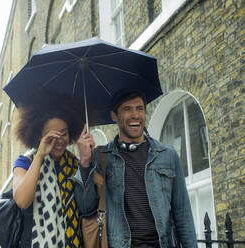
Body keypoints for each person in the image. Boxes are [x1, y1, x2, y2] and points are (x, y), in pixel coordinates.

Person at [75, 89, 198, 248]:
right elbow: (85, 208)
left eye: (139, 108)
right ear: (114, 116)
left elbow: (183, 215)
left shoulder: (168, 155)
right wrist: (85, 161)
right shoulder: (101, 157)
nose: (135, 115)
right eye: (127, 109)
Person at [12, 104, 85, 248]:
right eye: (52, 136)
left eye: (63, 133)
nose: (59, 140)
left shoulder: (76, 164)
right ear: (40, 136)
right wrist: (40, 155)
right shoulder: (25, 161)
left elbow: (87, 207)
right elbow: (22, 201)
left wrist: (86, 161)